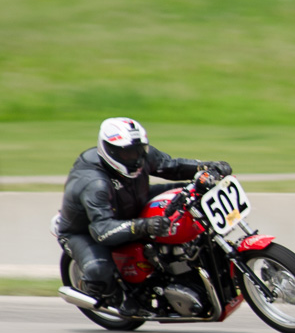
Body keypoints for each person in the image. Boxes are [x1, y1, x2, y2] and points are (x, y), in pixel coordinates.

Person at [55, 117, 232, 314]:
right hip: (86, 230)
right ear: (109, 149)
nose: (136, 158)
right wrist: (143, 226)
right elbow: (101, 230)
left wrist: (206, 168)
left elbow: (172, 166)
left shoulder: (142, 156)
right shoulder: (94, 184)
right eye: (128, 153)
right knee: (99, 272)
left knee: (192, 191)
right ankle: (114, 296)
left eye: (139, 150)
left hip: (131, 202)